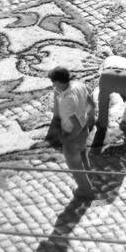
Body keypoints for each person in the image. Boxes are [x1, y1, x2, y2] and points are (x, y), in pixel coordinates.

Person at [50, 66, 97, 198]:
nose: (53, 85)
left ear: (59, 82)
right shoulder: (78, 85)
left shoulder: (66, 101)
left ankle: (86, 190)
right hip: (84, 130)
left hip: (73, 135)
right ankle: (89, 176)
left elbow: (75, 126)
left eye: (53, 82)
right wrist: (86, 119)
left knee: (75, 165)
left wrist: (67, 139)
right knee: (82, 154)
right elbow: (92, 104)